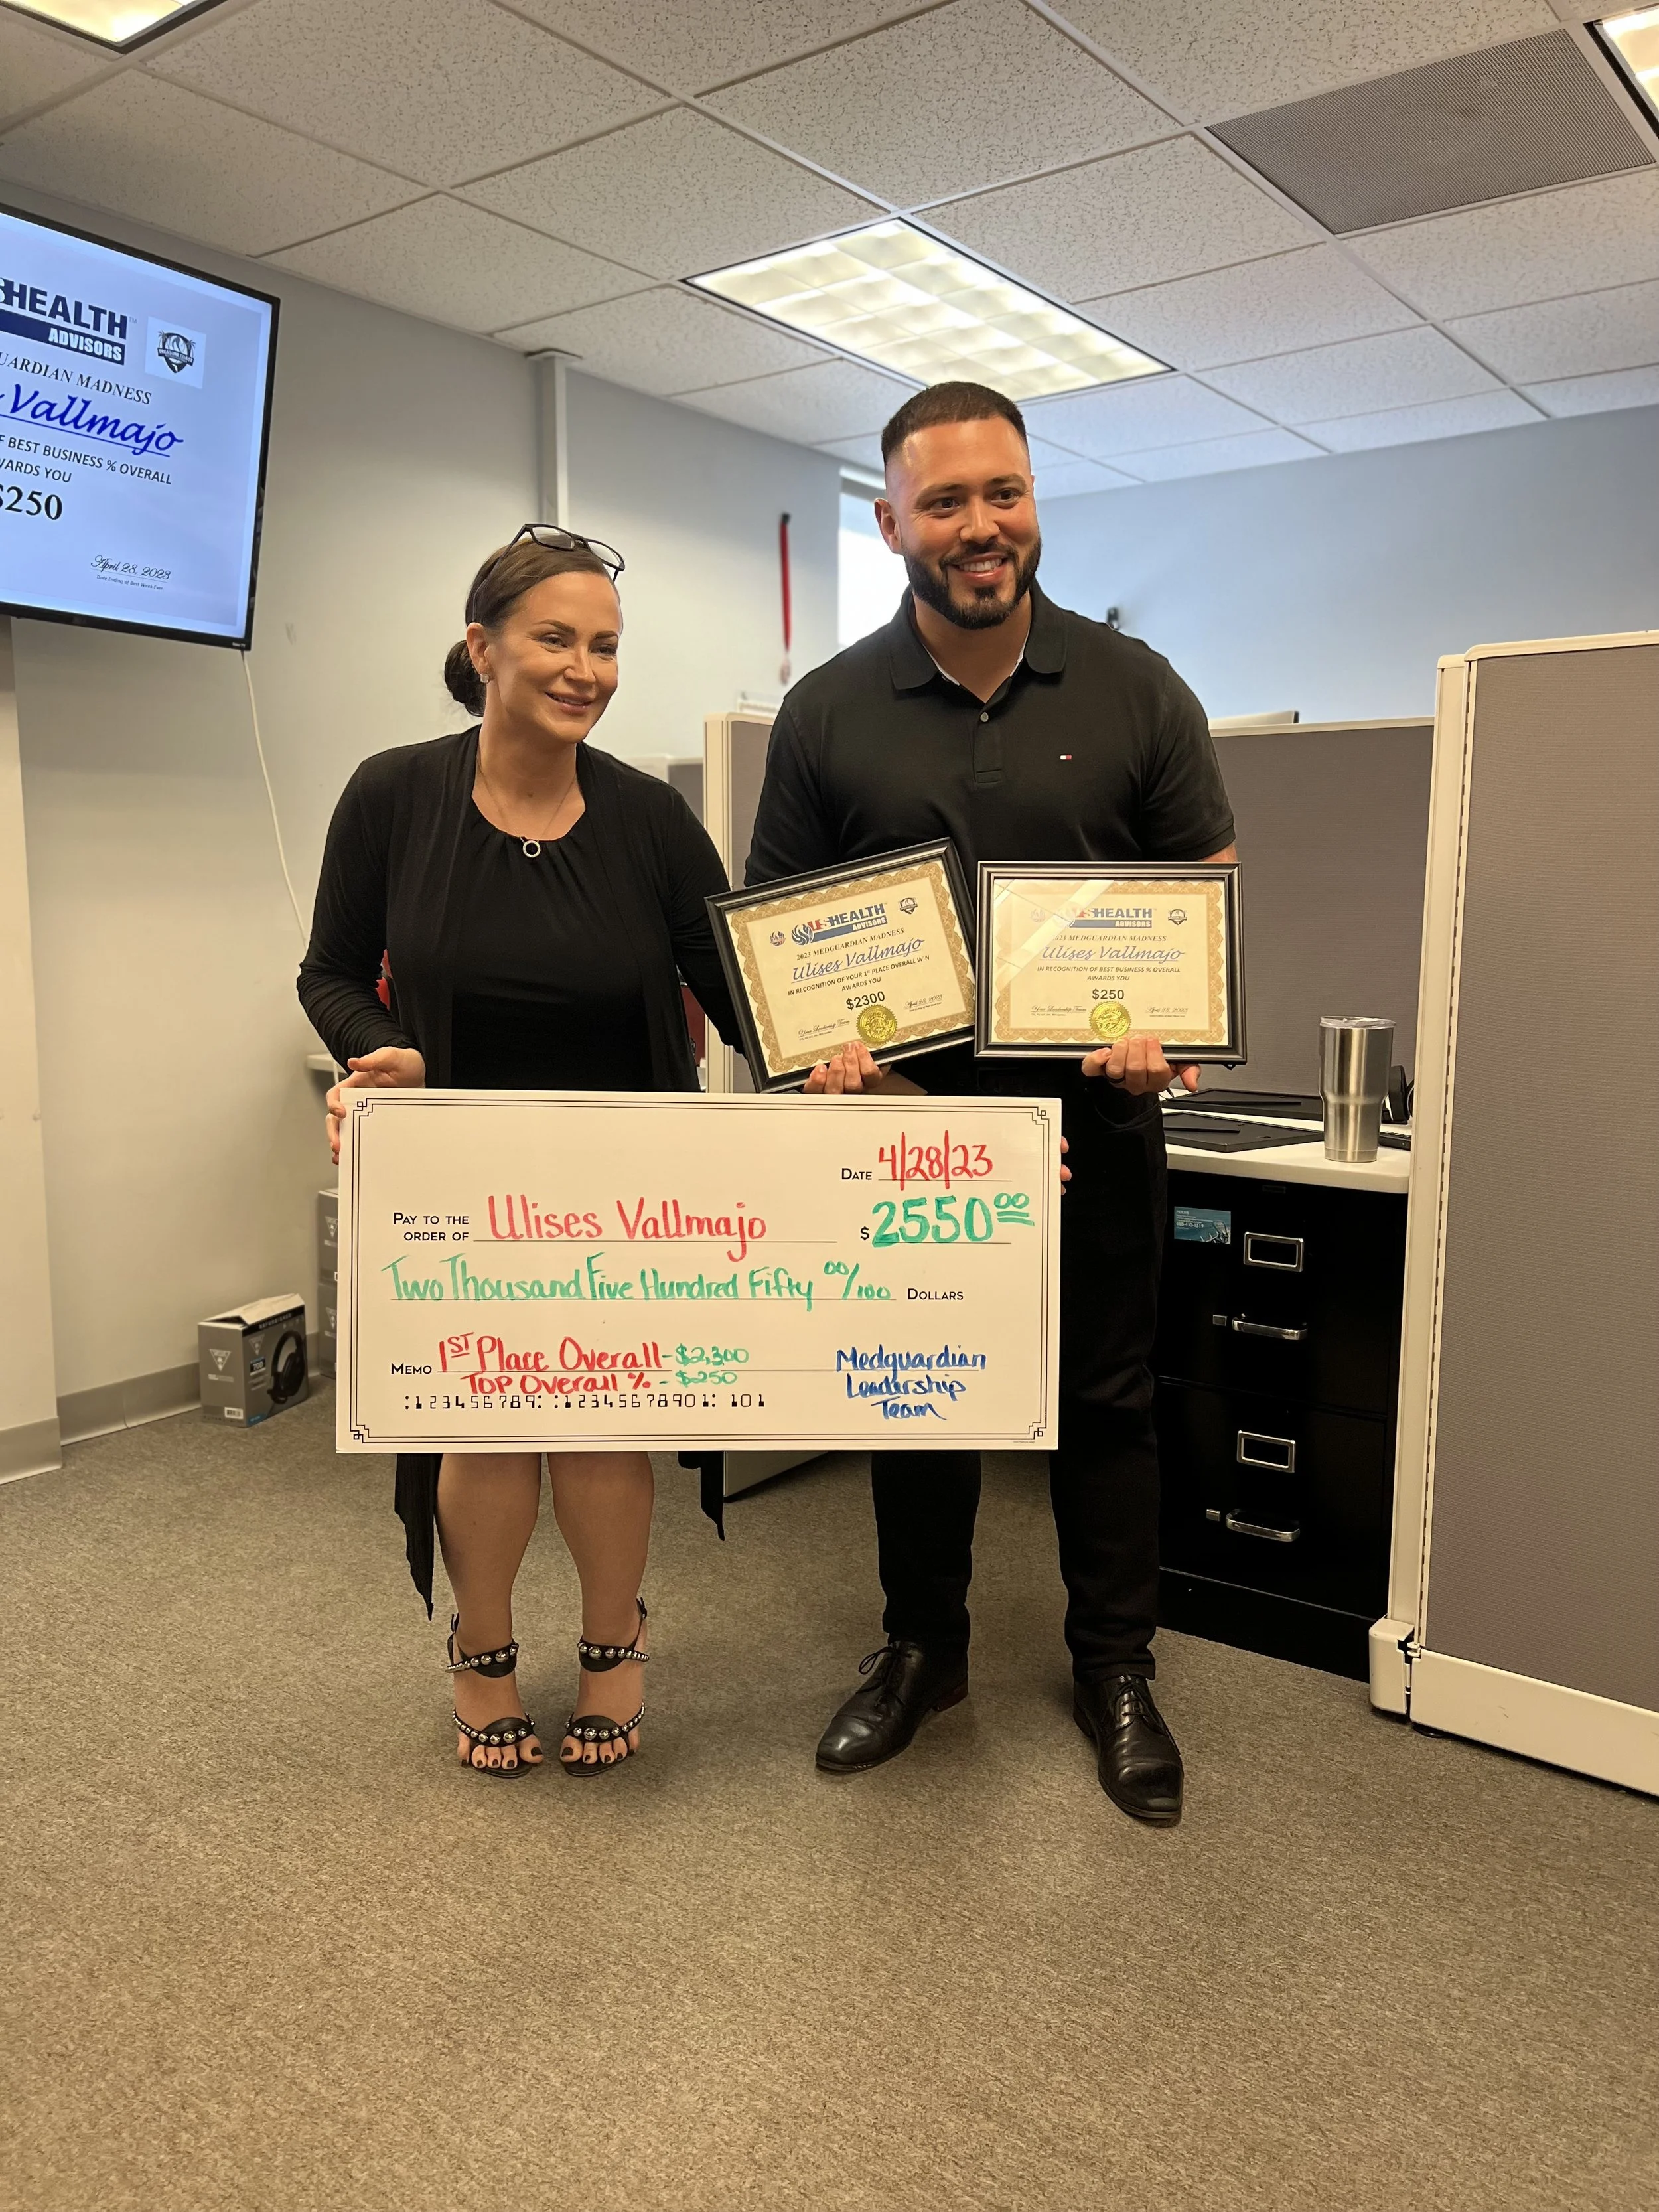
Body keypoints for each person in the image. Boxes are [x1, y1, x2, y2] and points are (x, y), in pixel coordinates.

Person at [747, 384, 1236, 1825]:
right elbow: (784, 929)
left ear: (1034, 501)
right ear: (891, 520)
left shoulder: (1136, 687)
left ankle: (1116, 1671)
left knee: (1106, 1405)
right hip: (911, 1135)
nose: (981, 526)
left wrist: (1167, 1029)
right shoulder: (827, 710)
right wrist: (829, 1056)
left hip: (1098, 1125)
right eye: (946, 501)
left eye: (1003, 493)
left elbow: (1200, 889)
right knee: (917, 1402)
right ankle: (925, 1651)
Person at [298, 526, 745, 1779]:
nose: (585, 669)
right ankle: (480, 1652)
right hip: (462, 1183)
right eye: (556, 638)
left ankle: (614, 1645)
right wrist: (380, 1048)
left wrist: (881, 1073)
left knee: (601, 1426)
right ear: (482, 647)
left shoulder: (653, 820)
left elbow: (747, 1001)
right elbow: (330, 972)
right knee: (485, 1423)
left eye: (606, 645)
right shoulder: (393, 796)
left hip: (625, 1185)